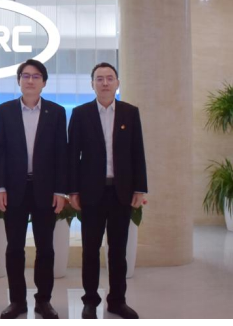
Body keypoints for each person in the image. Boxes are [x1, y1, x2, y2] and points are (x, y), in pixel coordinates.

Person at [68, 62, 147, 319]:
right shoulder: (80, 114)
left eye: (109, 78)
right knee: (90, 249)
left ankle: (117, 300)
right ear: (92, 84)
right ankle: (90, 300)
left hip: (121, 192)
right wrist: (73, 190)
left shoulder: (129, 113)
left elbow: (137, 153)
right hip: (91, 193)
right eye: (99, 79)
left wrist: (140, 188)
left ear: (117, 83)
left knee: (118, 250)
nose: (104, 83)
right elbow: (73, 156)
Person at [0, 59, 68, 319]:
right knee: (14, 248)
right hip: (14, 189)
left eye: (36, 76)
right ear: (19, 81)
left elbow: (61, 154)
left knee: (46, 248)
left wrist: (60, 191)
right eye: (26, 76)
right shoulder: (5, 111)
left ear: (44, 82)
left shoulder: (56, 112)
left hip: (45, 190)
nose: (30, 80)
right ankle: (17, 301)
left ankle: (43, 301)